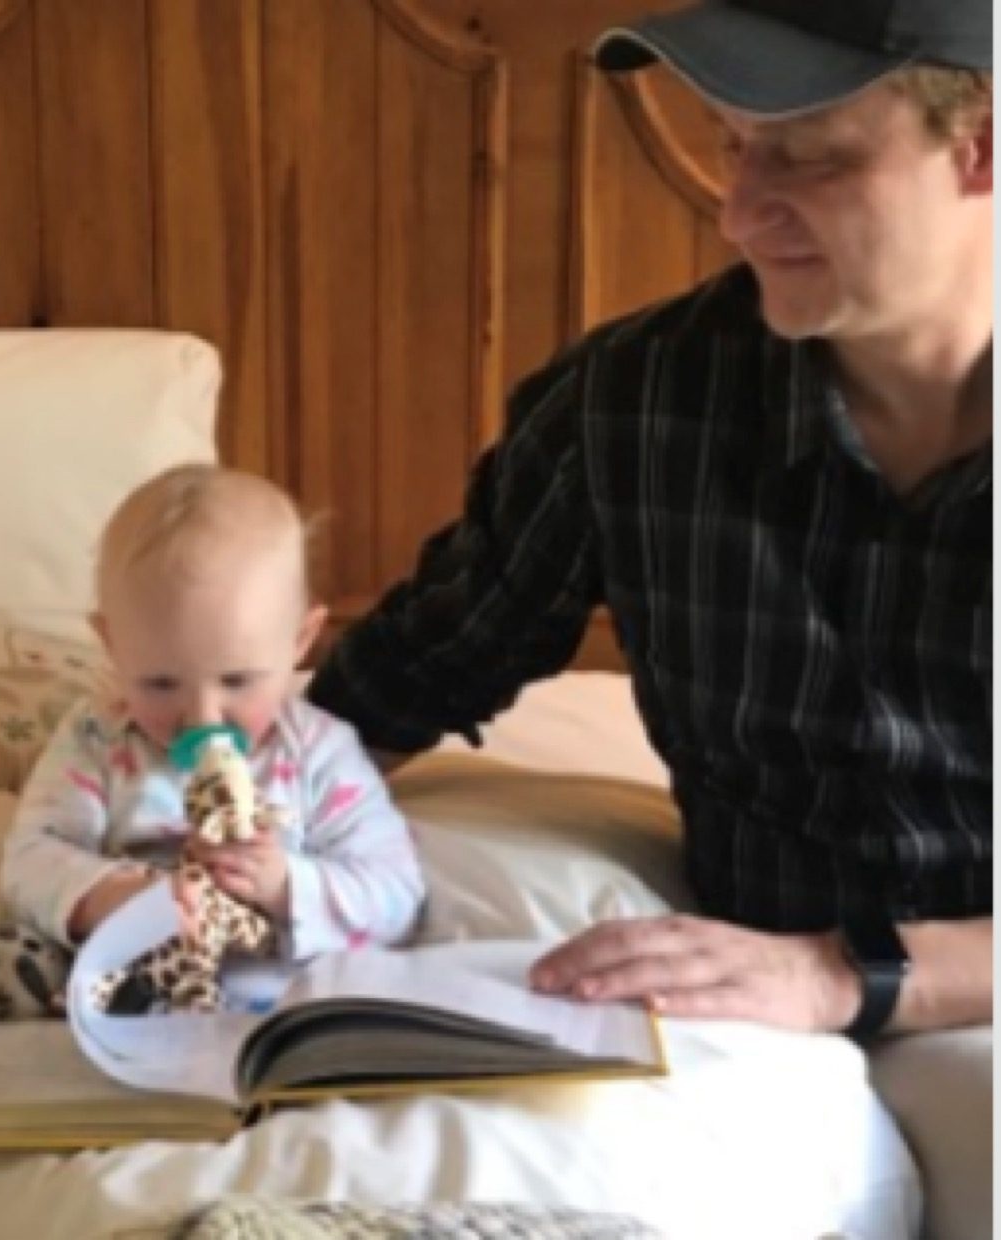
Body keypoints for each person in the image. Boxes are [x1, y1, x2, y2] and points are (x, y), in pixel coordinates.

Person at [308, 2, 991, 1235]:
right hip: (743, 1036)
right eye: (732, 143)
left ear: (979, 145)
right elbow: (407, 674)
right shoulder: (636, 402)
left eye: (810, 154)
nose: (736, 212)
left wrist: (845, 973)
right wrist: (182, 828)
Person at [2, 463, 425, 965]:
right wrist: (115, 899)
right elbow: (28, 861)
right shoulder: (98, 740)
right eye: (160, 684)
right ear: (113, 646)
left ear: (300, 642)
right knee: (1, 955)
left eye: (237, 681)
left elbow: (398, 894)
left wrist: (286, 884)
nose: (202, 719)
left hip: (266, 981)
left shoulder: (318, 752)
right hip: (129, 966)